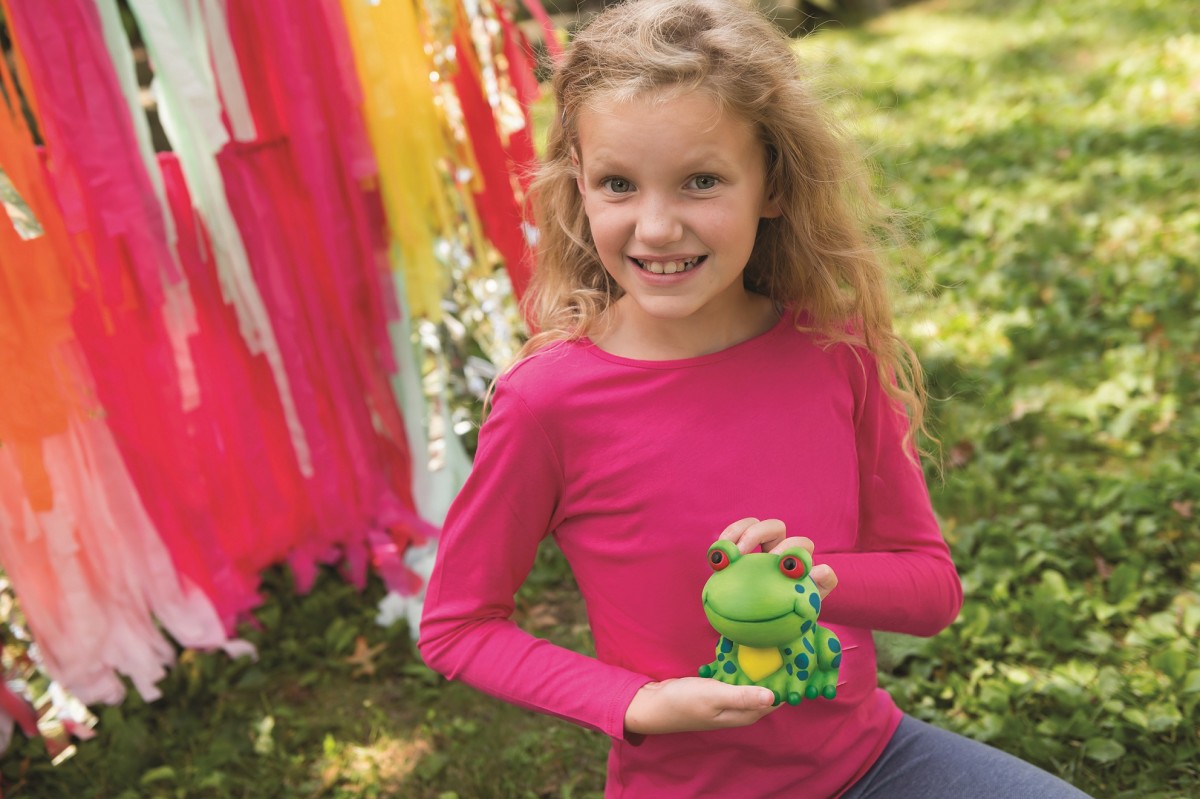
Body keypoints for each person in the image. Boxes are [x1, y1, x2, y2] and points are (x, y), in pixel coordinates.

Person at [419, 1, 1092, 796]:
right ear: (581, 185)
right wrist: (634, 701)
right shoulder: (548, 401)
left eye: (701, 181)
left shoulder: (834, 351)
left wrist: (814, 575)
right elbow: (458, 625)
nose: (656, 226)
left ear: (772, 184)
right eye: (618, 184)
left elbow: (931, 588)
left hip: (874, 761)